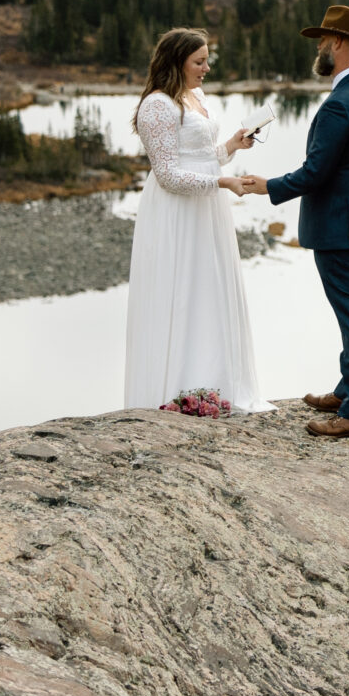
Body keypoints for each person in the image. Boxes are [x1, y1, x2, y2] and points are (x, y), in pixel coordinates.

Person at [222, 4, 349, 440]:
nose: (319, 48)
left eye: (323, 40)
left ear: (338, 43)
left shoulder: (340, 104)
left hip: (340, 224)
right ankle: (348, 390)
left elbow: (316, 172)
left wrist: (266, 186)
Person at [124, 28, 264, 411]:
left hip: (205, 207)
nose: (206, 68)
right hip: (176, 212)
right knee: (181, 290)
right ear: (176, 62)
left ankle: (214, 386)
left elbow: (200, 155)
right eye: (198, 61)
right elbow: (168, 174)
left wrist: (232, 147)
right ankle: (177, 390)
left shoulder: (195, 96)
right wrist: (222, 181)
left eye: (207, 60)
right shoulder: (157, 105)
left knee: (209, 288)